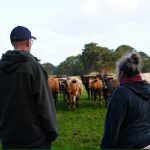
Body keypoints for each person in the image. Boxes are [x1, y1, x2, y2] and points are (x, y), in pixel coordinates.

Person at [0, 26, 58, 149]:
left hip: (8, 140)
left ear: (12, 42)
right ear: (28, 42)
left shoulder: (1, 68)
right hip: (35, 141)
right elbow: (44, 104)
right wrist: (52, 132)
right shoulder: (34, 67)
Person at [100, 52, 150, 149]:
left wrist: (106, 146)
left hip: (130, 145)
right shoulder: (148, 89)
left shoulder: (121, 93)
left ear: (122, 74)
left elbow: (112, 126)